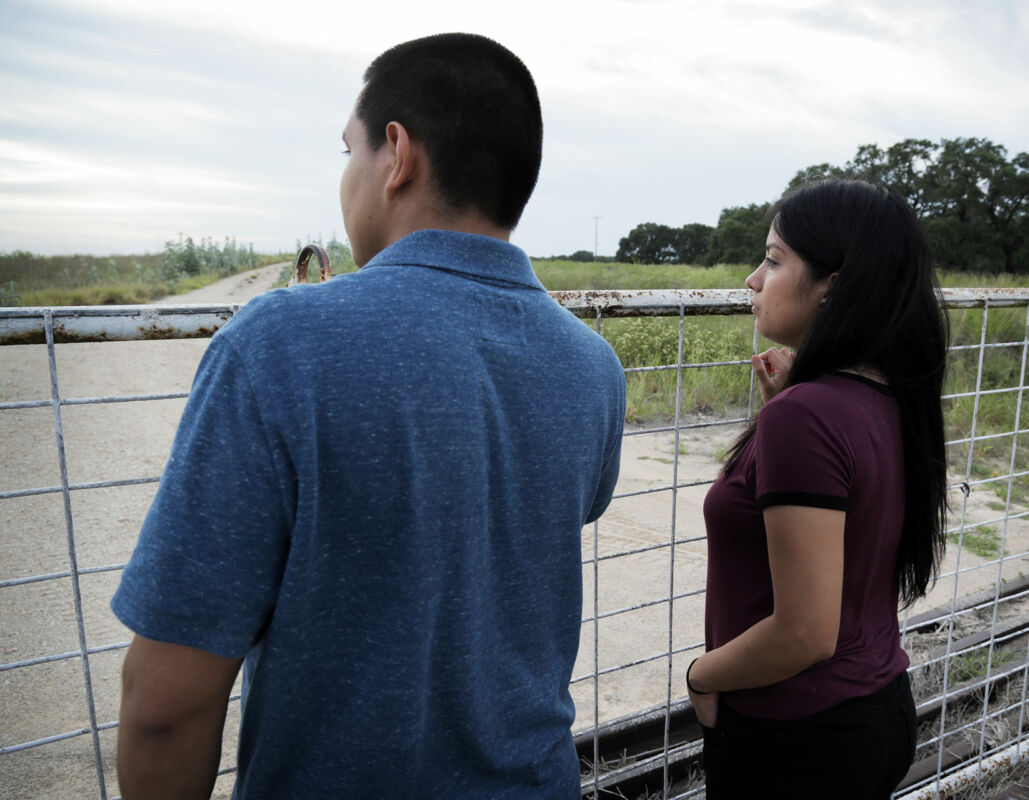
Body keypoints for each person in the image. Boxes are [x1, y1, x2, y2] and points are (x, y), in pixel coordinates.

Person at [111, 33, 626, 800]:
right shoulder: (594, 369)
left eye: (348, 151)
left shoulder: (277, 344)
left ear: (397, 155)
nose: (346, 179)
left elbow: (165, 703)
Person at [685, 178, 948, 799]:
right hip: (875, 704)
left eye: (774, 260)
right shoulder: (891, 394)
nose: (753, 278)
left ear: (833, 284)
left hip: (795, 736)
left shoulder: (805, 418)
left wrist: (701, 675)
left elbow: (804, 632)